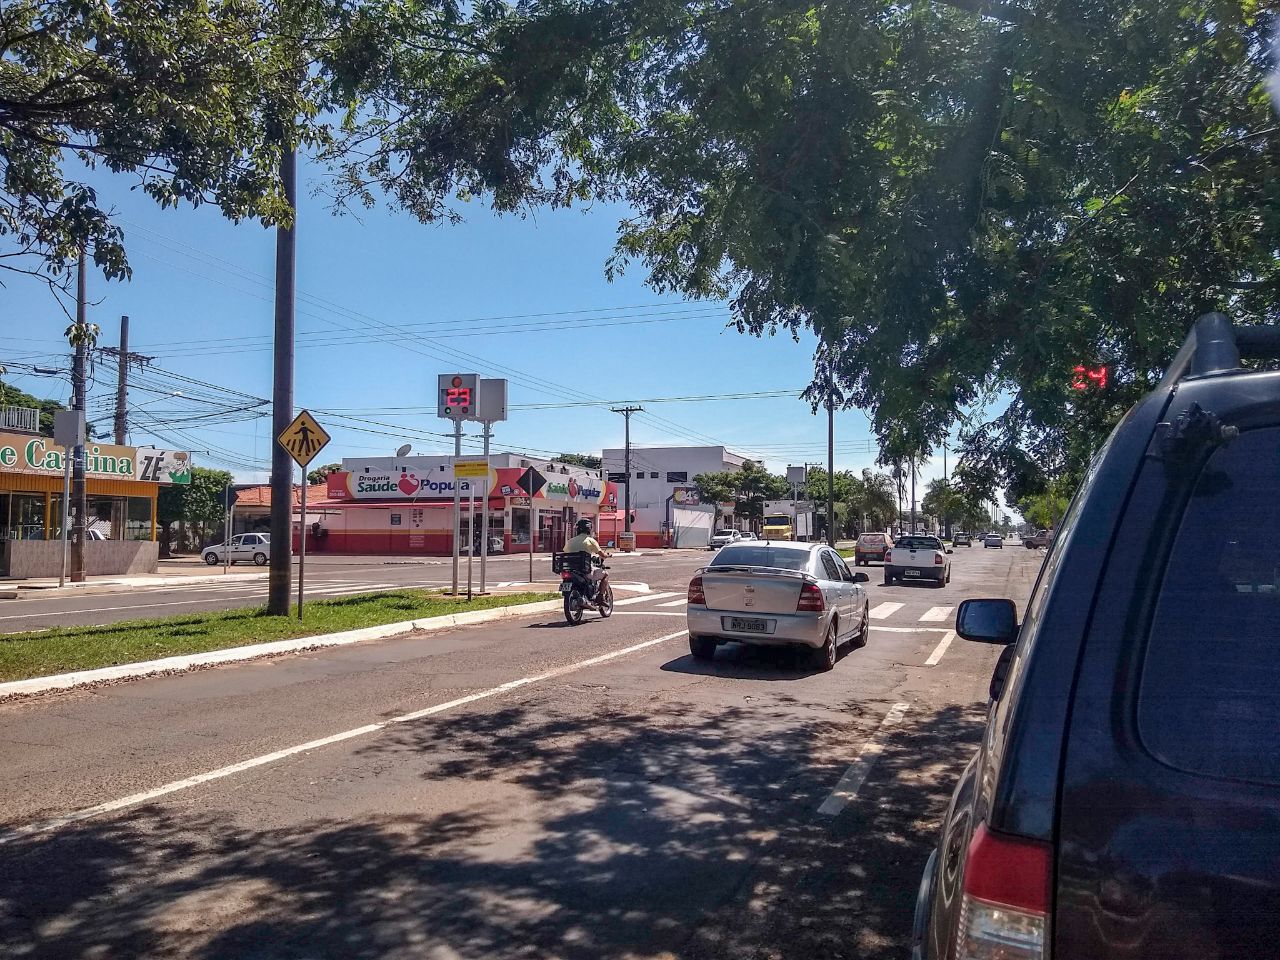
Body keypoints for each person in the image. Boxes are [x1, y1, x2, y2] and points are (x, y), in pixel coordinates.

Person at [563, 517, 610, 598]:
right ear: (589, 529)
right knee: (605, 574)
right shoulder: (590, 541)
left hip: (570, 569)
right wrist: (607, 555)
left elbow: (565, 552)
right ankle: (601, 597)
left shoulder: (570, 541)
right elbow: (601, 554)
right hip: (584, 570)